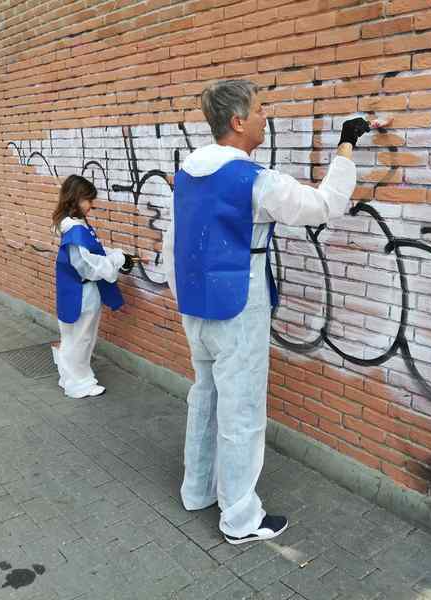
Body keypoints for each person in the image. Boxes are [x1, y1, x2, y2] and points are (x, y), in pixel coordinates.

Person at [163, 79, 382, 545]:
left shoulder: (186, 172)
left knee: (205, 397)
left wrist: (181, 295)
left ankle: (197, 490)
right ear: (239, 121)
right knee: (241, 410)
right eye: (261, 110)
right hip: (239, 307)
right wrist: (346, 143)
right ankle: (240, 520)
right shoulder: (254, 180)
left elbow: (173, 242)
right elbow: (325, 205)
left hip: (196, 306)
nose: (267, 117)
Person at [52, 174, 145, 398]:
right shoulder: (76, 230)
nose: (91, 205)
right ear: (75, 199)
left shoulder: (68, 225)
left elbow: (93, 255)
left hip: (71, 289)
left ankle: (70, 378)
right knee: (82, 338)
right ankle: (80, 383)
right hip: (82, 292)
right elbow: (88, 266)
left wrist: (117, 255)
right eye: (88, 200)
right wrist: (117, 260)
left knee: (73, 336)